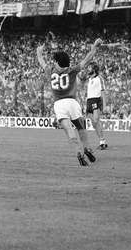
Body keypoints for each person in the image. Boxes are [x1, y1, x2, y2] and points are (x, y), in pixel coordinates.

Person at [36, 38, 103, 166]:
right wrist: (94, 47)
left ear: (56, 62)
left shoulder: (50, 70)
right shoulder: (72, 70)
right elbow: (87, 60)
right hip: (72, 102)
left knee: (68, 129)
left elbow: (42, 62)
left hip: (59, 104)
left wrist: (39, 53)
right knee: (80, 127)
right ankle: (87, 148)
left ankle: (78, 152)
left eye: (54, 61)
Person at [85, 62, 108, 150]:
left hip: (96, 100)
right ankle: (102, 141)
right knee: (94, 123)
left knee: (96, 120)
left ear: (94, 69)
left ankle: (102, 141)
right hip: (89, 101)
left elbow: (103, 92)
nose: (88, 69)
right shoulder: (89, 79)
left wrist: (105, 105)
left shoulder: (99, 79)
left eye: (90, 68)